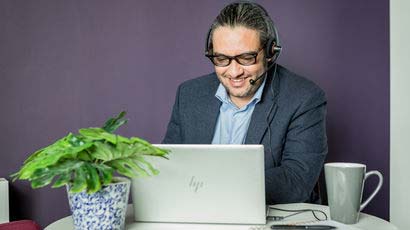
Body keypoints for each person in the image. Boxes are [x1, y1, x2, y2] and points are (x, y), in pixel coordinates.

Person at [162, 1, 327, 204]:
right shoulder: (188, 95)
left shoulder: (304, 98)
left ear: (270, 52)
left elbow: (297, 180)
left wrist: (220, 186)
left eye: (246, 58)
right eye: (221, 59)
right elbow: (168, 165)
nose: (234, 72)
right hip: (195, 213)